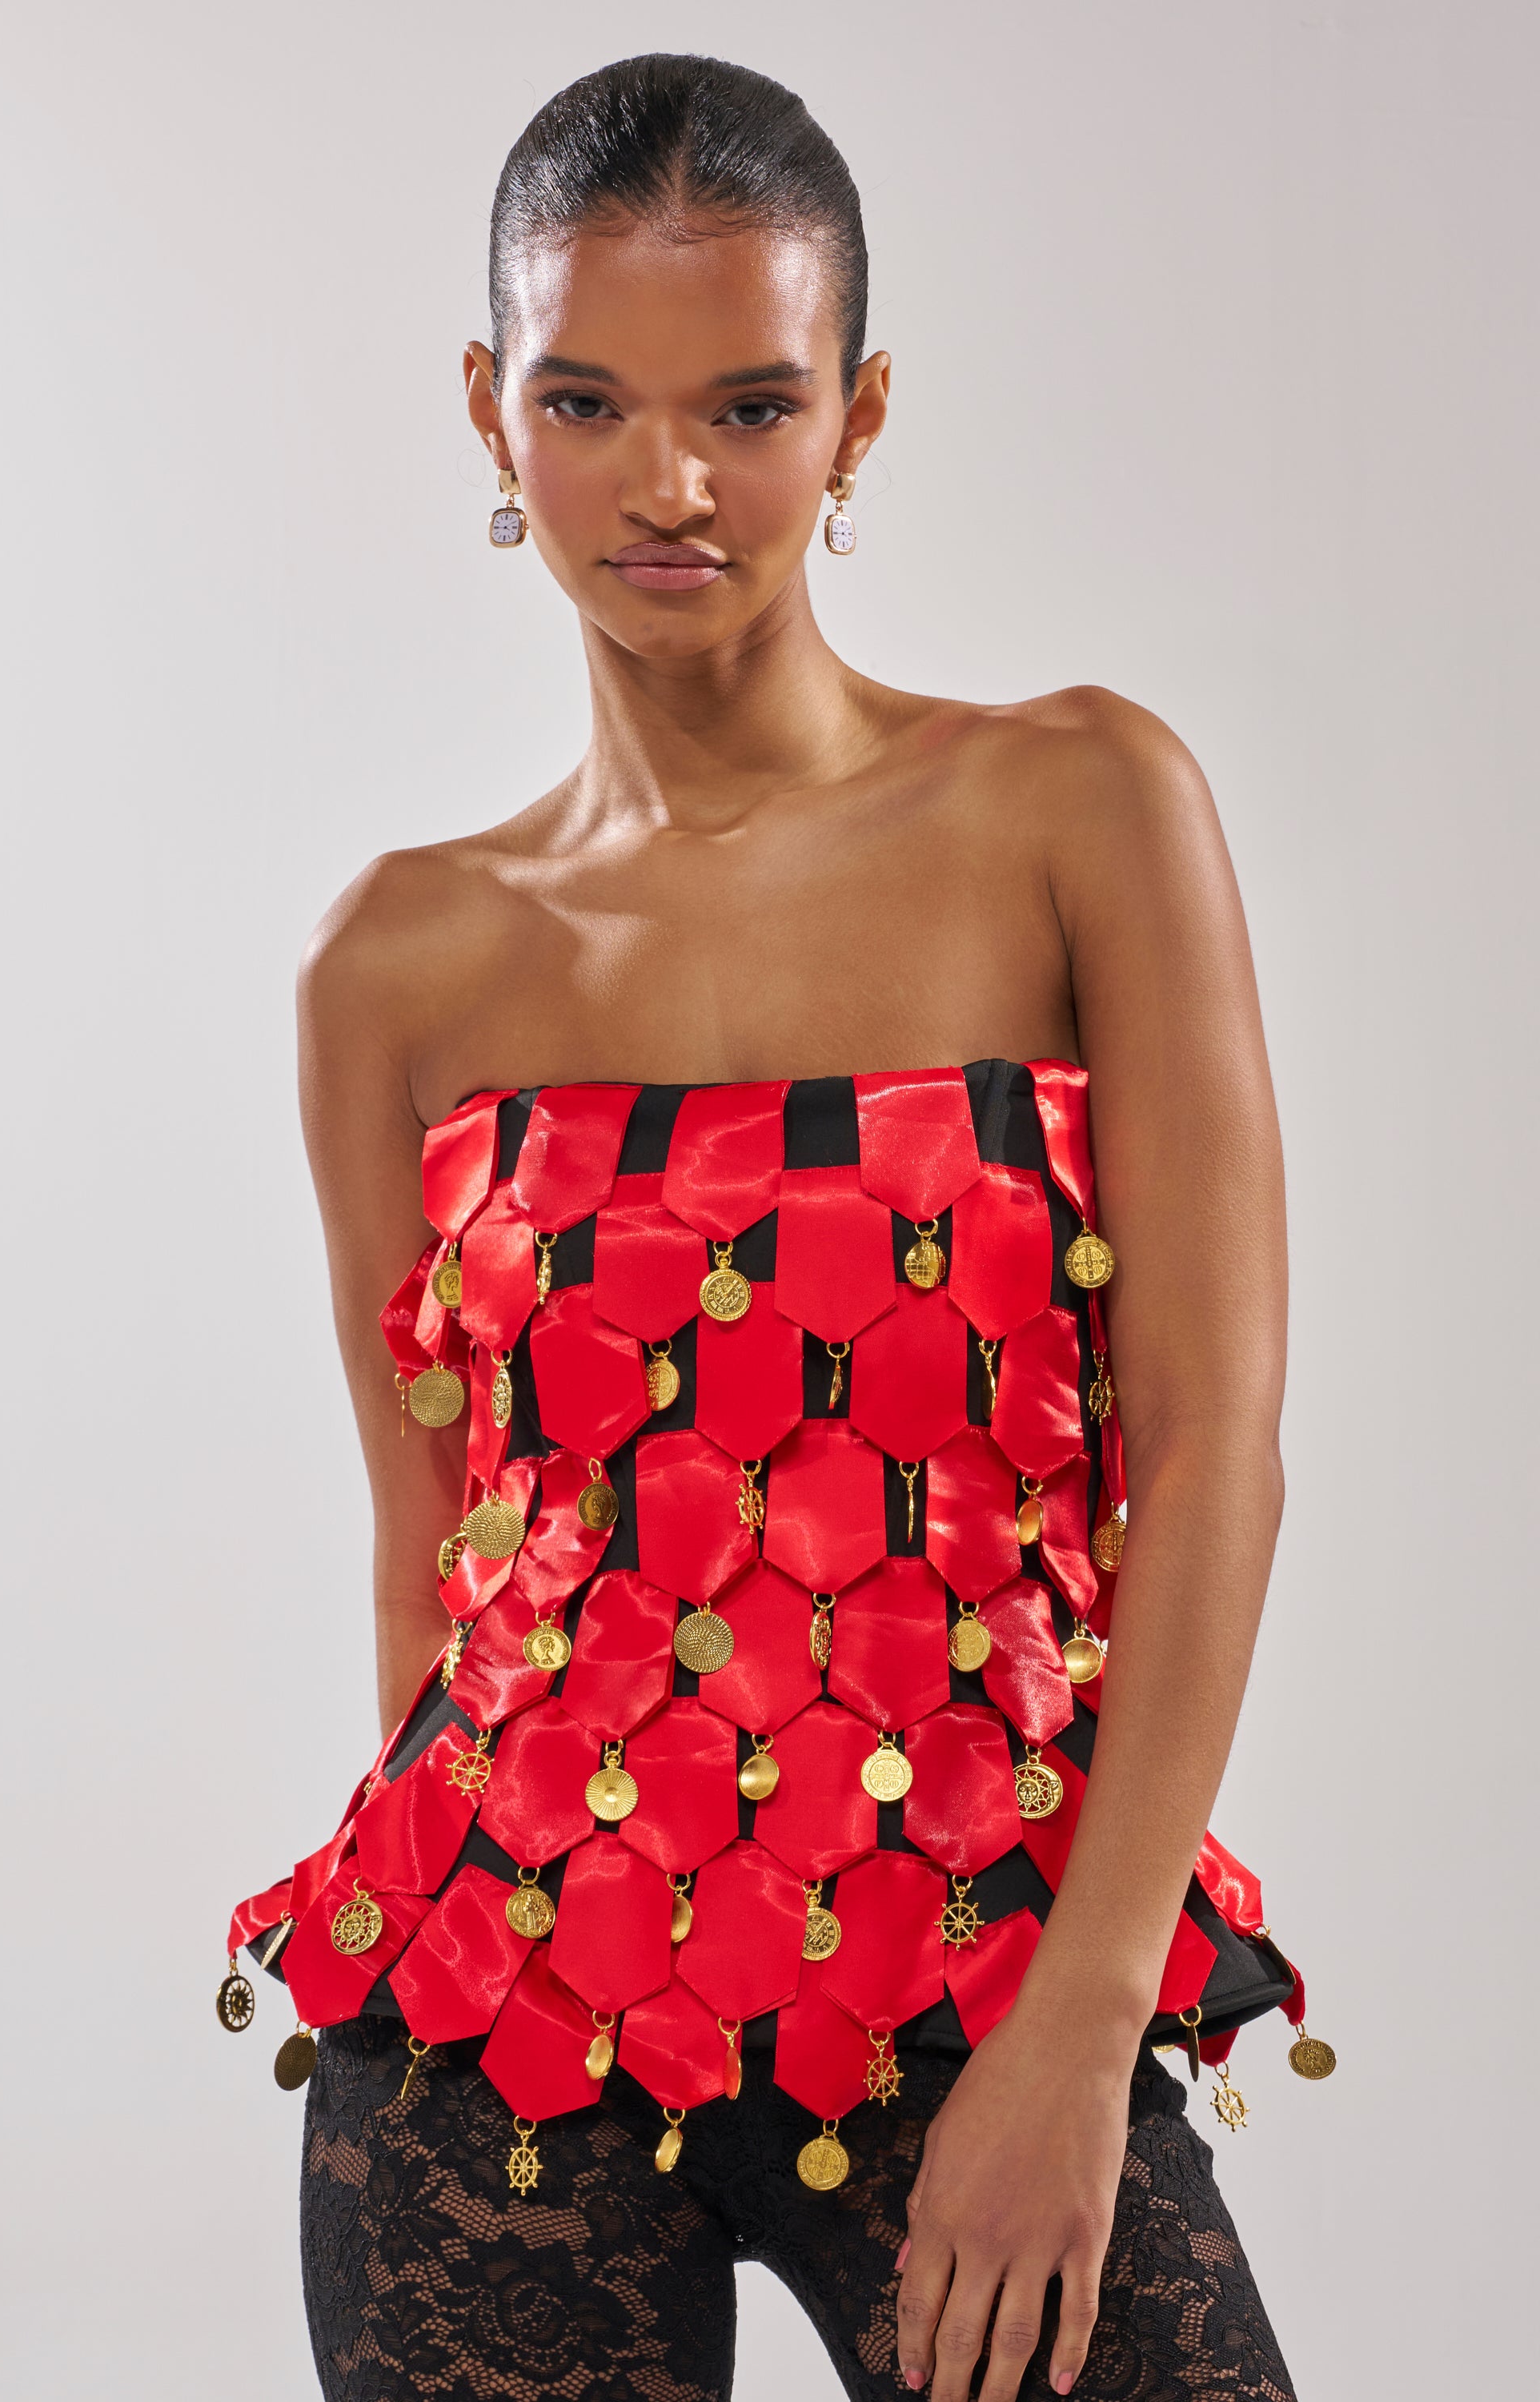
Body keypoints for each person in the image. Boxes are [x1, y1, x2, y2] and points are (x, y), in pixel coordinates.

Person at [223, 51, 1329, 2402]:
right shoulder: (394, 966)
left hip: (985, 1979)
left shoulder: (1080, 804)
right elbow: (428, 1540)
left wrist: (1079, 2038)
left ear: (862, 412)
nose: (673, 481)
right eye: (588, 400)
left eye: (750, 401)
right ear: (486, 412)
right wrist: (469, 1942)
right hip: (491, 2023)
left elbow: (1214, 1447)